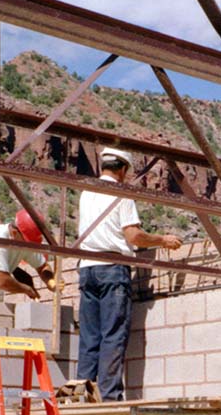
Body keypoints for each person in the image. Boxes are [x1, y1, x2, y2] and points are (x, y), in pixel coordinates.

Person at [76, 147, 182, 401]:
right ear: (123, 169)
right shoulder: (122, 194)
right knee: (113, 334)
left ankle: (83, 394)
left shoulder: (86, 192)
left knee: (90, 336)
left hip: (87, 268)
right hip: (112, 269)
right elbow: (134, 236)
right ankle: (110, 396)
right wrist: (163, 240)